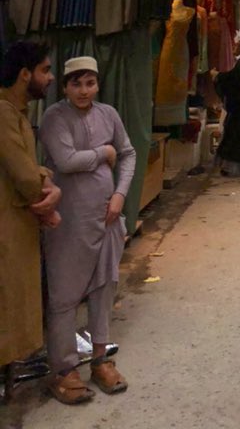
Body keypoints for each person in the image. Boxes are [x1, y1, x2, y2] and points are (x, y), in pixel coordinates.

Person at [39, 55, 136, 403]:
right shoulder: (54, 117)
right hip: (68, 222)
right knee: (64, 296)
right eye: (76, 83)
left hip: (107, 217)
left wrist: (120, 195)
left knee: (103, 288)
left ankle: (99, 360)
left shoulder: (108, 114)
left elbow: (127, 154)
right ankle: (63, 370)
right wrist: (102, 152)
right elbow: (65, 161)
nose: (84, 91)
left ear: (98, 84)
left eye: (90, 83)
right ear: (64, 87)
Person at [0, 41, 61, 376]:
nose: (50, 77)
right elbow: (23, 175)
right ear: (25, 75)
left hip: (16, 220)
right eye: (45, 70)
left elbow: (28, 168)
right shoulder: (3, 112)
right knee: (9, 301)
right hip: (8, 223)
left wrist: (45, 179)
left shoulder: (14, 113)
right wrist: (49, 201)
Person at [214, 41, 240, 176]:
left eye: (236, 46)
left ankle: (232, 168)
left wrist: (218, 76)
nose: (233, 48)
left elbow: (233, 80)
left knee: (236, 136)